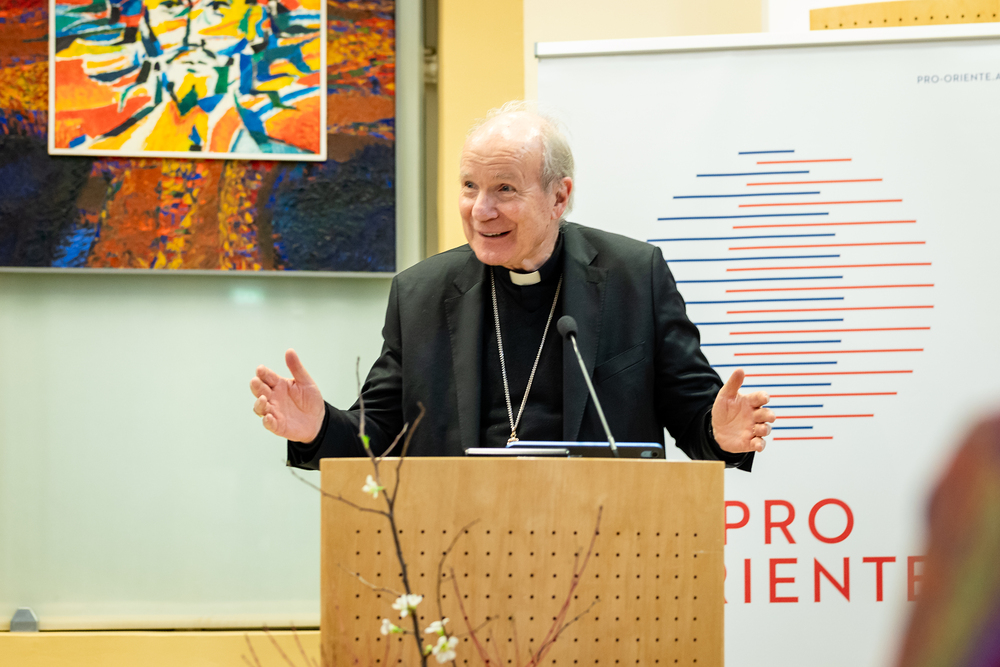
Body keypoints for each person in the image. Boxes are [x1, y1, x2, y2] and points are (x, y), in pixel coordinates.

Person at [250, 102, 774, 469]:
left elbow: (694, 414)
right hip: (457, 545)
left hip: (605, 540)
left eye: (504, 189)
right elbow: (378, 434)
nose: (482, 210)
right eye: (469, 187)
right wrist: (318, 427)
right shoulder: (421, 293)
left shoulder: (635, 276)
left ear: (559, 196)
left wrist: (721, 434)